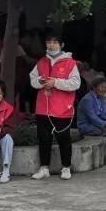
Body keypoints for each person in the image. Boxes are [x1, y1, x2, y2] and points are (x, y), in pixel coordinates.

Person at [29, 32, 80, 180]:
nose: (51, 45)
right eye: (49, 42)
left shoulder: (70, 63)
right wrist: (39, 80)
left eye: (55, 42)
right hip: (43, 107)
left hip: (62, 108)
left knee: (63, 138)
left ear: (61, 45)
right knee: (43, 139)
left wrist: (56, 82)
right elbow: (32, 80)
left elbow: (75, 84)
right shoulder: (42, 62)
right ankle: (44, 168)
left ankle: (66, 167)